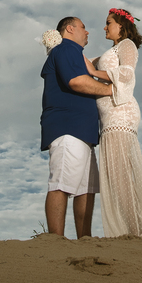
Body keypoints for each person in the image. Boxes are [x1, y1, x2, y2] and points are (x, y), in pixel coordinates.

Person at [82, 7, 142, 237]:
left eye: (108, 22)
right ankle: (128, 230)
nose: (105, 27)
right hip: (109, 116)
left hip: (120, 113)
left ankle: (133, 231)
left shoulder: (126, 46)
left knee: (122, 174)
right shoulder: (111, 51)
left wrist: (94, 70)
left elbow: (126, 74)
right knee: (116, 175)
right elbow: (83, 63)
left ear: (122, 26)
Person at [40, 16, 113, 238]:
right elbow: (76, 81)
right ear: (69, 29)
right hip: (67, 128)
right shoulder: (66, 49)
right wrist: (112, 90)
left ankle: (85, 239)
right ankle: (56, 240)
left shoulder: (74, 54)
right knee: (62, 183)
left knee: (86, 189)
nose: (88, 32)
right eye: (83, 27)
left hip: (82, 131)